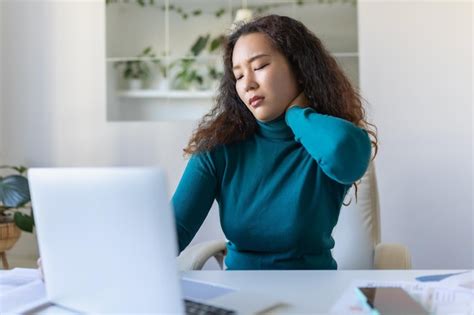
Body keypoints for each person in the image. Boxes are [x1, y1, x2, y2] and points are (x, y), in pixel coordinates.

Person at [172, 14, 377, 270]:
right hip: (241, 298)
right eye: (238, 76)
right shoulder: (218, 148)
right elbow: (170, 235)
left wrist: (297, 115)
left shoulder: (323, 139)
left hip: (314, 295)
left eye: (259, 67)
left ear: (299, 69)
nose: (248, 84)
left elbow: (344, 152)